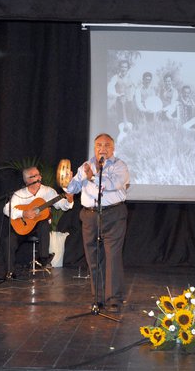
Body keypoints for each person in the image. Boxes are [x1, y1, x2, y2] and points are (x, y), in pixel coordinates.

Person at [65, 133, 130, 313]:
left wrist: (93, 177)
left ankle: (114, 299)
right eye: (99, 145)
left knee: (112, 257)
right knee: (93, 258)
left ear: (113, 147)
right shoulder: (85, 166)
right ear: (94, 148)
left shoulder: (120, 166)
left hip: (113, 214)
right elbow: (73, 188)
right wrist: (67, 181)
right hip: (90, 215)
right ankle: (98, 298)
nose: (103, 148)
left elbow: (113, 184)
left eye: (107, 145)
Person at [2, 166, 73, 279]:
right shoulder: (19, 194)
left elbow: (62, 205)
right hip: (23, 227)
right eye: (35, 176)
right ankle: (10, 272)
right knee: (8, 241)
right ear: (28, 180)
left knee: (44, 222)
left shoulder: (48, 191)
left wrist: (69, 200)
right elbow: (6, 209)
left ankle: (44, 258)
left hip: (39, 229)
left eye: (39, 174)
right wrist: (23, 213)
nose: (39, 177)